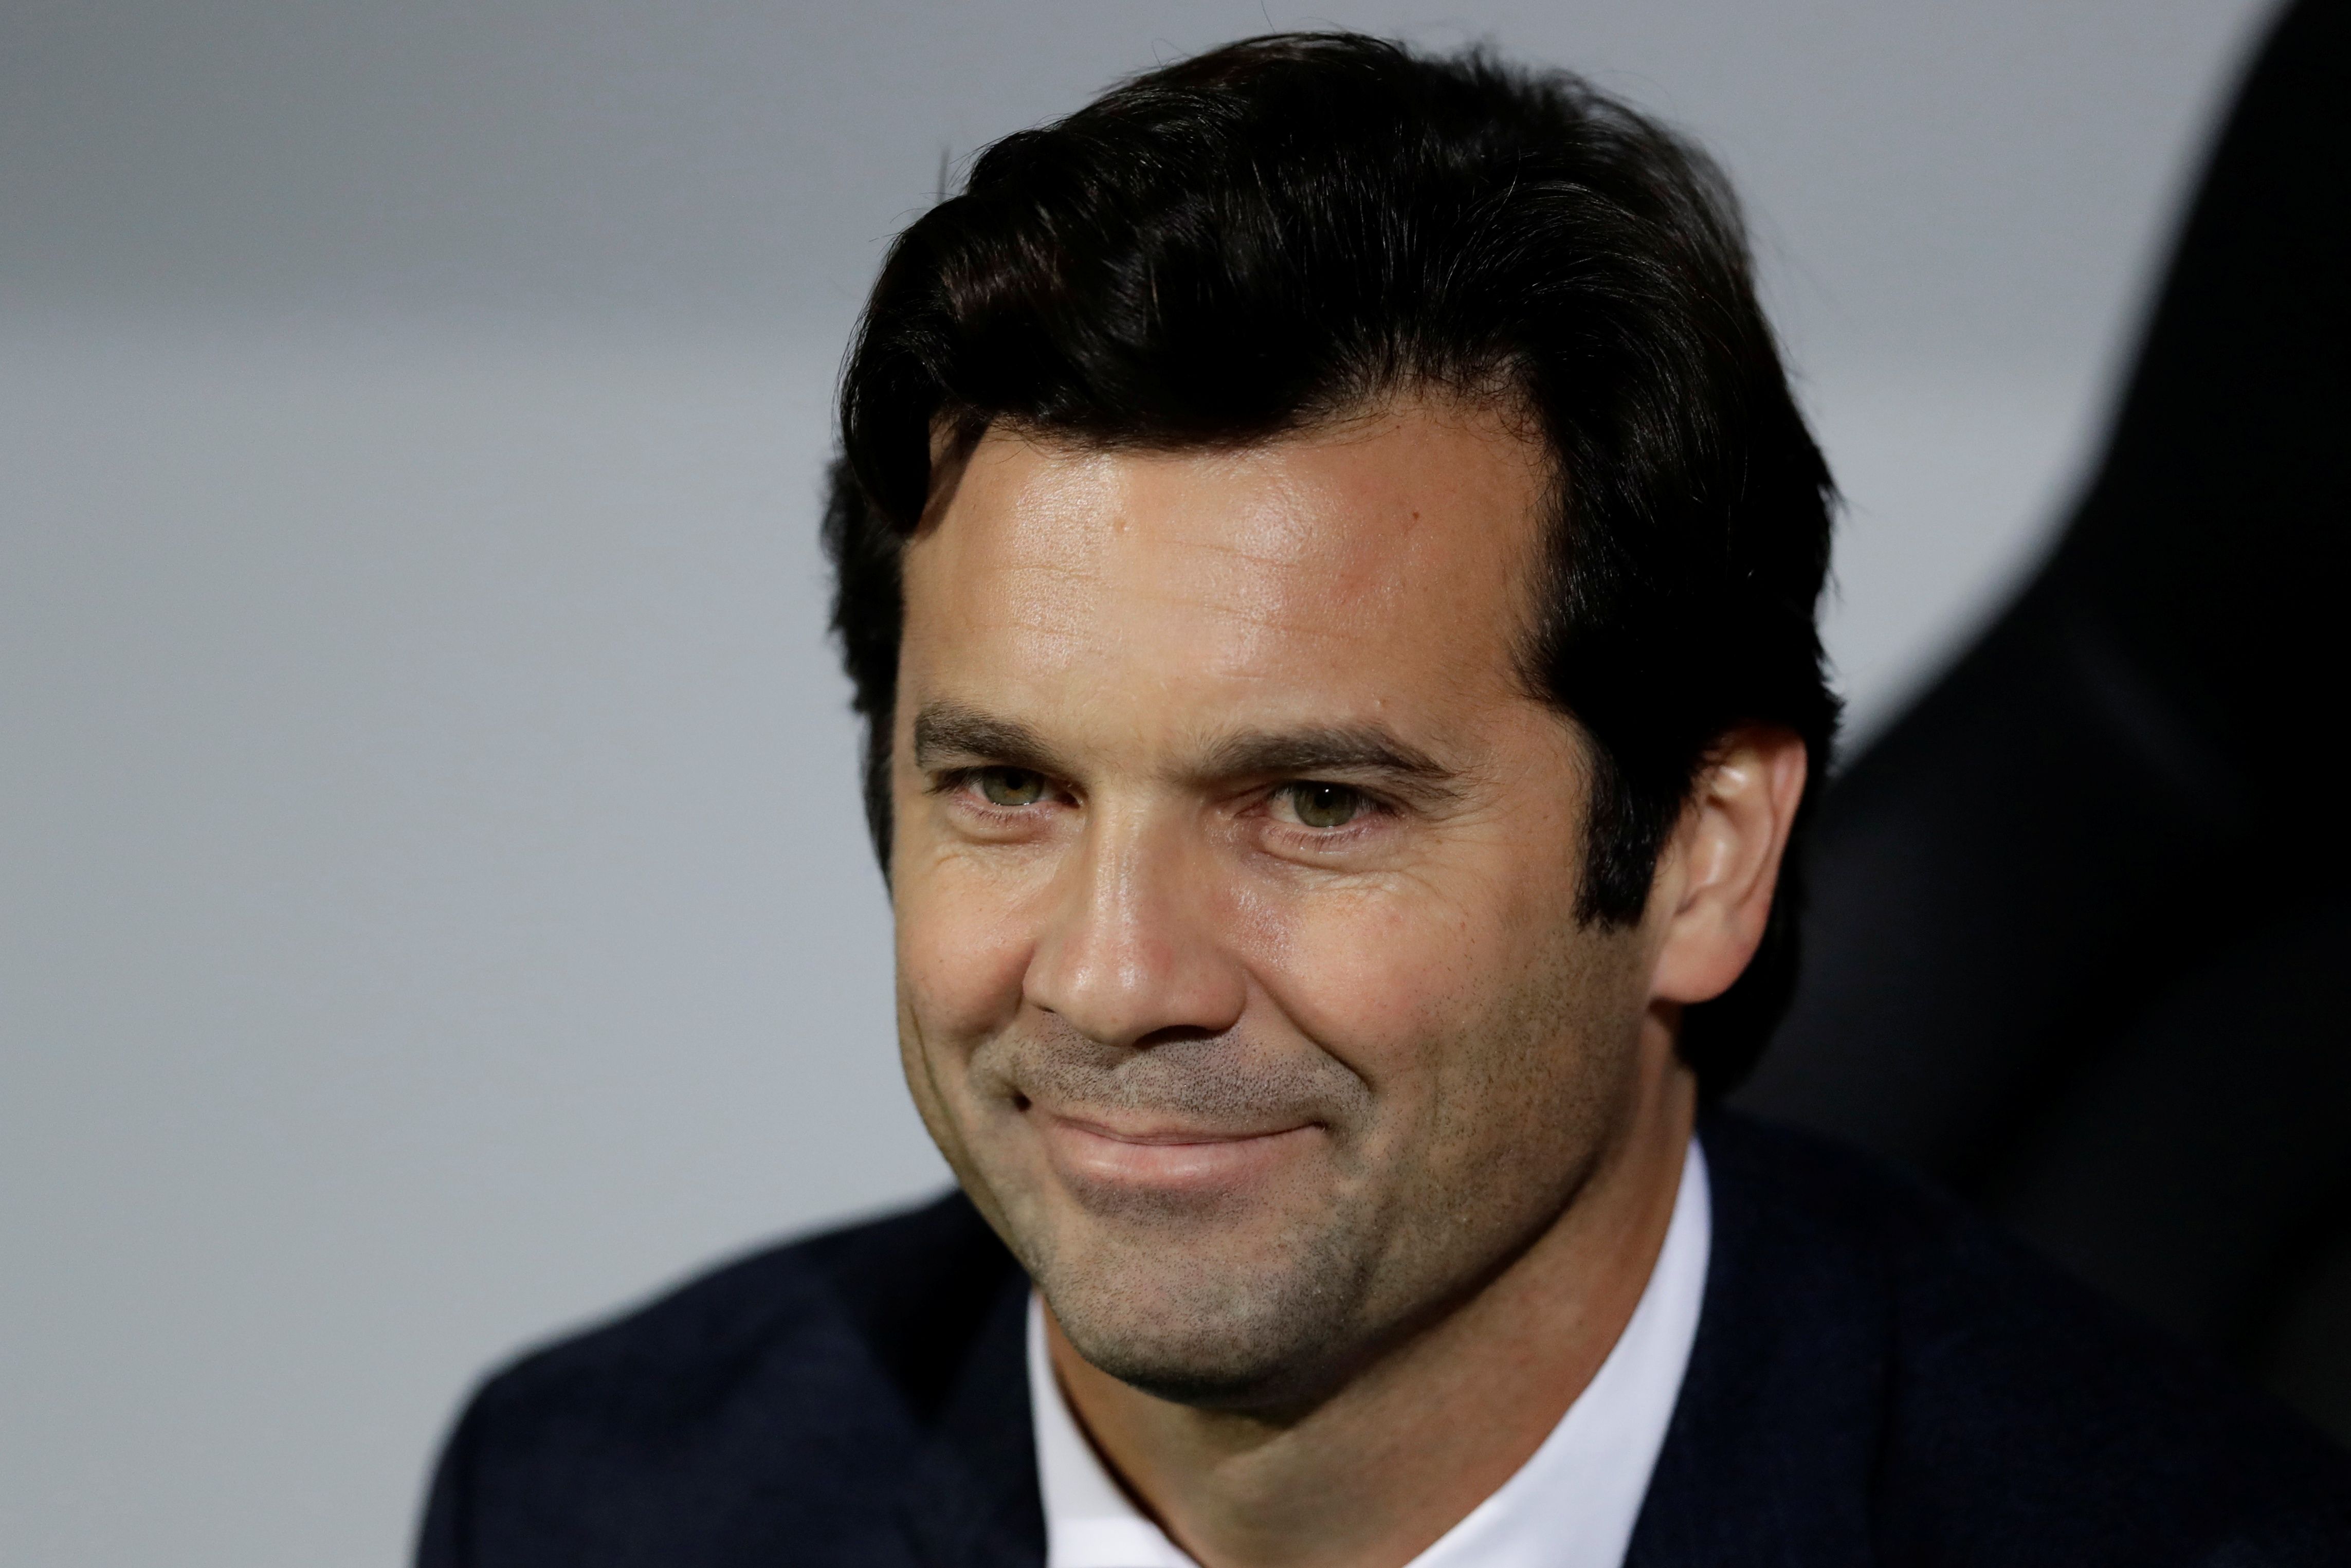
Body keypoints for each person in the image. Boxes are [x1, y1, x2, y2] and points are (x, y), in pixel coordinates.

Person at [415, 33, 2350, 1568]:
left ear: (1703, 853)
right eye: (1009, 785)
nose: (1113, 979)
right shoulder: (600, 1501)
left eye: (1318, 804)